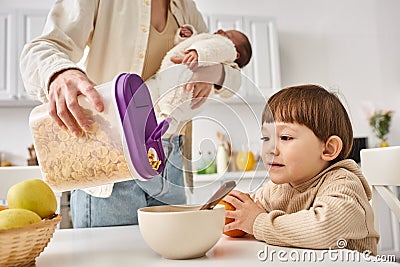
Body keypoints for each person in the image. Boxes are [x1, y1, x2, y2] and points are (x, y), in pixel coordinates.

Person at [20, 0, 241, 228]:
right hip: (112, 162)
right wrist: (60, 73)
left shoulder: (186, 7)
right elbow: (40, 49)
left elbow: (231, 69)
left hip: (171, 164)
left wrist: (213, 72)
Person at [223, 84, 380, 255]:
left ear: (328, 149)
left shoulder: (344, 185)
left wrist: (258, 222)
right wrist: (230, 212)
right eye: (265, 137)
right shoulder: (275, 190)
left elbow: (324, 229)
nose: (270, 149)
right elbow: (246, 216)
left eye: (285, 137)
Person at [148, 24, 252, 134]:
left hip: (183, 81)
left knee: (174, 97)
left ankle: (169, 120)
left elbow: (212, 49)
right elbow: (187, 45)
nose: (221, 30)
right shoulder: (208, 40)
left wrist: (199, 54)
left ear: (236, 55)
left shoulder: (225, 47)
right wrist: (185, 36)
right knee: (151, 94)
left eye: (228, 34)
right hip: (164, 76)